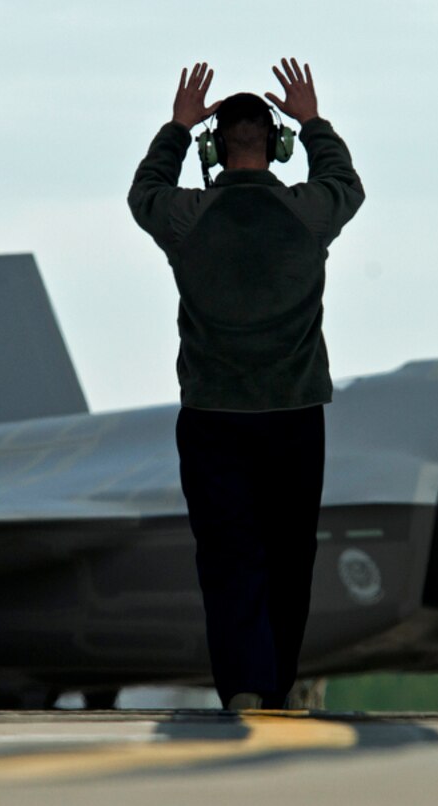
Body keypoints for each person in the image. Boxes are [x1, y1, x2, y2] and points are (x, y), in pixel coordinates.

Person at [127, 58, 365, 711]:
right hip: (293, 413)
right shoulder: (306, 213)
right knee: (290, 558)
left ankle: (244, 691)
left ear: (216, 147)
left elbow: (143, 192)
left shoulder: (187, 217)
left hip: (213, 417)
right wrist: (311, 119)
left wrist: (178, 128)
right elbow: (346, 182)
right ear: (277, 145)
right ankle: (280, 684)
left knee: (231, 558)